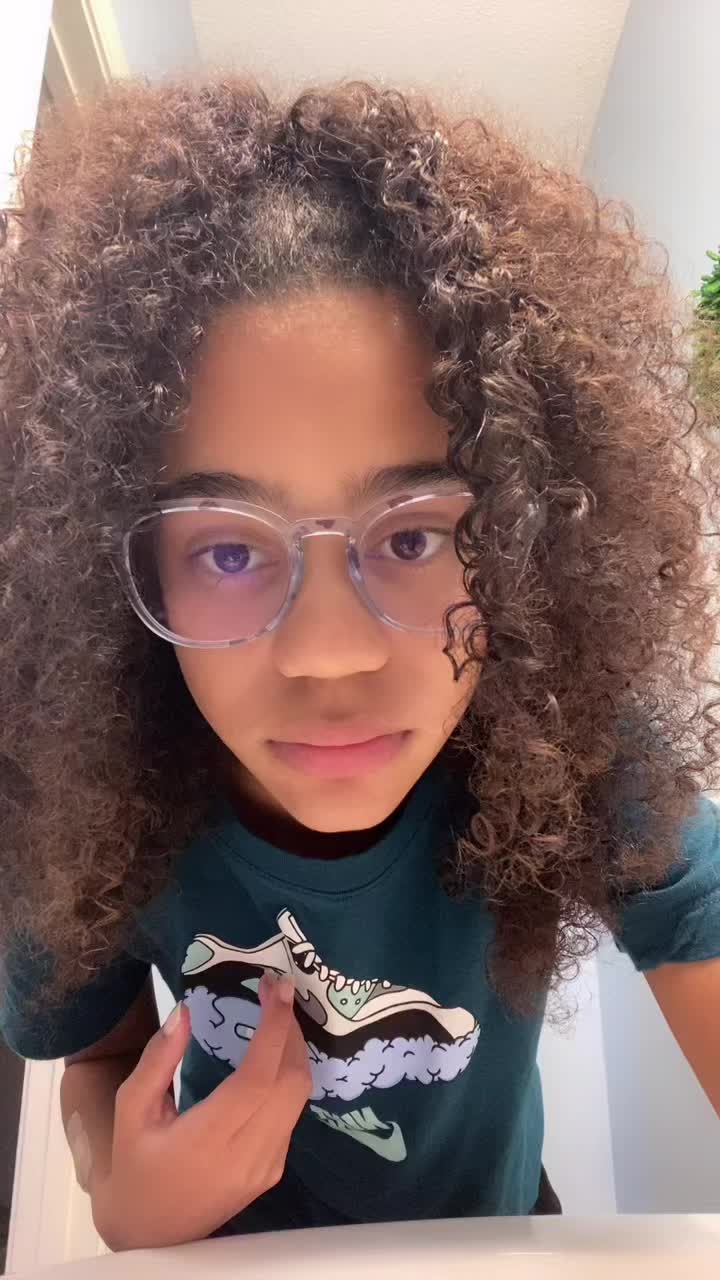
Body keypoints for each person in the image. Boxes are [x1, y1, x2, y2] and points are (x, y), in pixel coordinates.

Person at [0, 74, 719, 1251]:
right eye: (228, 548)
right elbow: (99, 1055)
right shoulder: (82, 798)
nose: (329, 654)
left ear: (524, 541)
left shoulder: (571, 736)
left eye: (416, 536)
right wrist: (125, 1193)